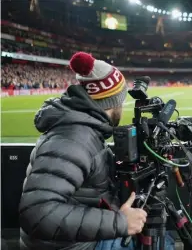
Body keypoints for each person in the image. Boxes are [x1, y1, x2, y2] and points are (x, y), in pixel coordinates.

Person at [19, 52, 175, 250]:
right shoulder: (74, 138)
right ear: (111, 102)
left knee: (164, 237)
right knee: (165, 245)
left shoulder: (85, 129)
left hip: (76, 239)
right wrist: (120, 222)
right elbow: (37, 214)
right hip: (74, 246)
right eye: (121, 100)